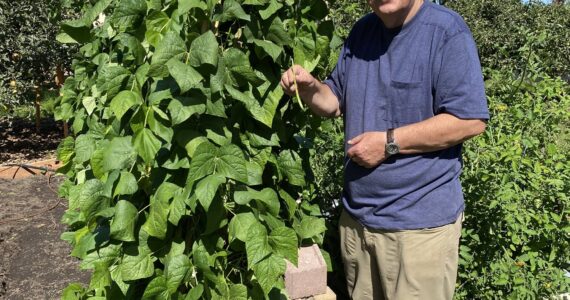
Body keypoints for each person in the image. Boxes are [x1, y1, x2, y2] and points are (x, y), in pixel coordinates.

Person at [280, 0, 489, 299]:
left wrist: (388, 143)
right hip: (358, 223)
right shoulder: (362, 31)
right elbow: (334, 101)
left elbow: (469, 120)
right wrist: (310, 86)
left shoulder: (446, 31)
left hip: (417, 232)